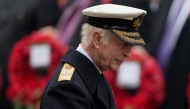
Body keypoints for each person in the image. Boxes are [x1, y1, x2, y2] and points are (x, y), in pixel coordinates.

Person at [40, 4, 147, 109]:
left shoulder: (91, 74)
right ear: (97, 39)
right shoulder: (68, 88)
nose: (128, 54)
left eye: (130, 45)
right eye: (122, 45)